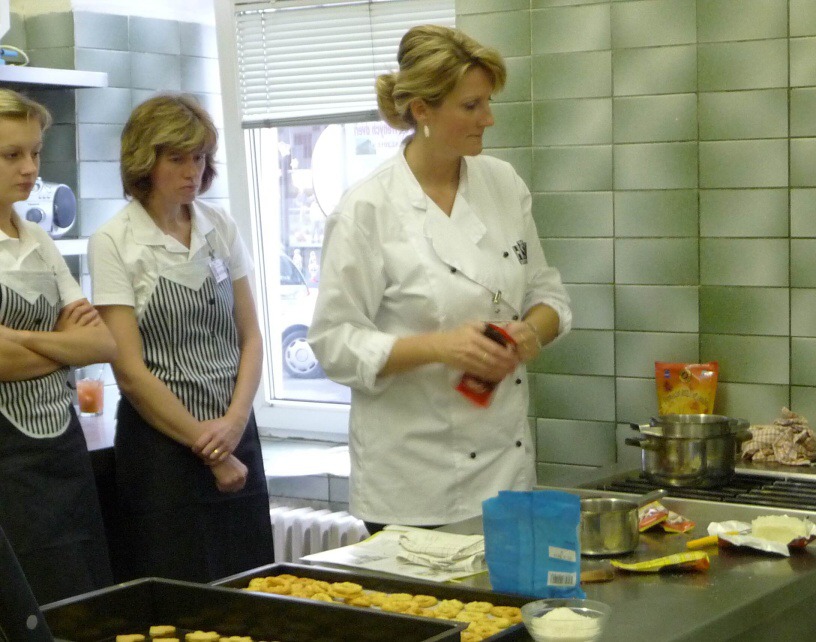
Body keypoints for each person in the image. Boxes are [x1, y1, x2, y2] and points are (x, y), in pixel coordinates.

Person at [308, 25, 571, 532]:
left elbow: (547, 292)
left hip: (507, 471)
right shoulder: (367, 209)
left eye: (487, 102)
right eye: (471, 106)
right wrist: (440, 347)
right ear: (421, 110)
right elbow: (333, 343)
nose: (488, 119)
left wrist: (531, 331)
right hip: (414, 481)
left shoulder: (502, 184)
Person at [88, 94, 273, 582]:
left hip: (236, 431)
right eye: (177, 159)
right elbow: (130, 372)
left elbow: (251, 337)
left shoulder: (220, 226)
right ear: (144, 161)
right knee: (179, 596)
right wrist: (211, 448)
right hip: (163, 450)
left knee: (254, 588)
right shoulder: (114, 241)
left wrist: (235, 424)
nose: (193, 172)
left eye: (200, 158)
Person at [0, 89, 115, 603]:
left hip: (64, 451)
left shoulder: (38, 238)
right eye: (12, 155)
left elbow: (100, 342)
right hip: (8, 465)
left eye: (35, 152)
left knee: (85, 601)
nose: (30, 168)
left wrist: (20, 337)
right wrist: (63, 343)